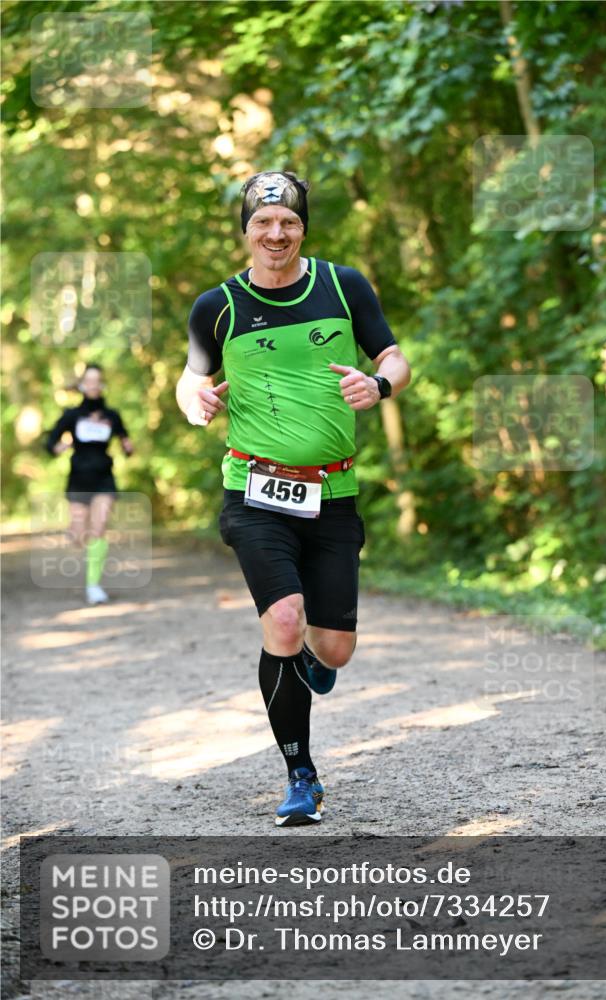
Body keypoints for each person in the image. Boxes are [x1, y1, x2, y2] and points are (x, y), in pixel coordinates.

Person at [177, 170, 410, 826]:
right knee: (283, 621)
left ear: (302, 228)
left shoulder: (343, 285)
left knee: (334, 651)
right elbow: (189, 377)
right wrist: (194, 399)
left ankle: (310, 654)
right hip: (253, 492)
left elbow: (394, 357)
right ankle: (300, 775)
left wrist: (378, 385)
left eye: (288, 222)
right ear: (246, 230)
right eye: (263, 222)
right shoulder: (217, 306)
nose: (275, 233)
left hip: (333, 493)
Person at [45, 363, 133, 605]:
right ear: (83, 385)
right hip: (79, 479)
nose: (94, 385)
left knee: (100, 527)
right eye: (89, 381)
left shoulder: (111, 416)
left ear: (102, 384)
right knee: (79, 535)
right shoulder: (72, 415)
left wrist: (128, 447)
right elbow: (50, 442)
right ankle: (75, 533)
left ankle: (93, 586)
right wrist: (58, 447)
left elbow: (125, 441)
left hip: (104, 477)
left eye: (97, 380)